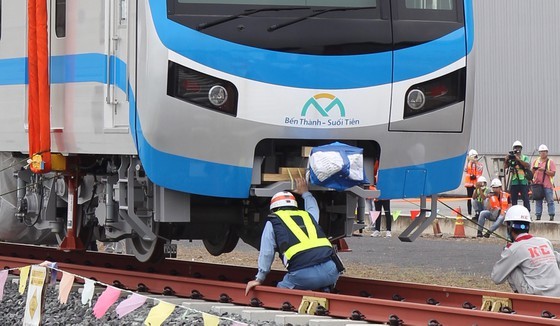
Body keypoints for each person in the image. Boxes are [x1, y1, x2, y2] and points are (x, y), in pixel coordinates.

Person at [245, 178, 340, 295]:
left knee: (279, 293)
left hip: (303, 276)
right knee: (321, 273)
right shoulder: (307, 216)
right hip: (332, 271)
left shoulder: (273, 222)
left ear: (273, 209)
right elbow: (313, 208)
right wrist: (305, 193)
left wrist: (259, 278)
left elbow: (267, 253)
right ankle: (325, 288)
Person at [491, 205, 560, 297]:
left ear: (509, 226)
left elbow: (496, 278)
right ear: (528, 225)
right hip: (557, 292)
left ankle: (522, 300)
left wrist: (507, 251)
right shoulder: (545, 241)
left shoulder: (512, 249)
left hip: (536, 295)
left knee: (511, 267)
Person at [531, 144, 556, 221]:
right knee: (538, 201)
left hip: (547, 185)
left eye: (544, 152)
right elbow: (532, 172)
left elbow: (553, 173)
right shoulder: (536, 161)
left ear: (547, 152)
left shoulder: (550, 162)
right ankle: (538, 216)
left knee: (550, 201)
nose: (542, 153)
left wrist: (544, 170)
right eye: (541, 152)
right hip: (538, 185)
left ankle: (551, 215)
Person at [504, 140, 531, 211]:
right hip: (513, 181)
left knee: (525, 198)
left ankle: (527, 212)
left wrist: (518, 160)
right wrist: (506, 160)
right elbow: (504, 167)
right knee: (514, 199)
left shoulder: (524, 157)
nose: (517, 149)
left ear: (521, 149)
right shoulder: (510, 157)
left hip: (523, 181)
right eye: (516, 147)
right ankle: (514, 213)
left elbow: (527, 165)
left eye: (519, 147)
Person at [464, 149, 484, 217]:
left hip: (476, 184)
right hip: (469, 184)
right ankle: (469, 213)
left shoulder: (479, 164)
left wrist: (475, 163)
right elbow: (465, 169)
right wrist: (468, 161)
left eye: (475, 157)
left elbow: (480, 170)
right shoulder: (468, 164)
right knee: (469, 199)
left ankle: (477, 213)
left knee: (477, 199)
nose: (474, 158)